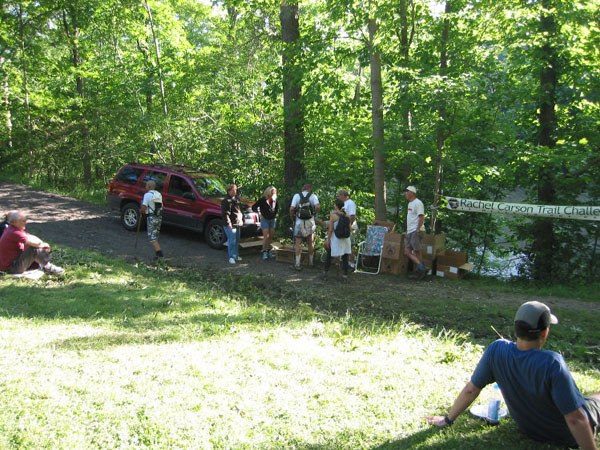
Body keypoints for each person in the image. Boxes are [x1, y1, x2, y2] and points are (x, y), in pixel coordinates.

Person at [426, 301, 600, 450]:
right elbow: (575, 419)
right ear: (544, 332)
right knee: (594, 402)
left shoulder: (497, 350)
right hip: (566, 436)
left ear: (516, 328)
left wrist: (447, 420)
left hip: (530, 430)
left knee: (589, 399)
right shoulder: (552, 362)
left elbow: (471, 390)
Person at [0, 210, 64, 275]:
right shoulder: (14, 232)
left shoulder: (14, 228)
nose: (26, 222)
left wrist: (42, 244)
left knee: (32, 246)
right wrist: (42, 245)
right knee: (33, 249)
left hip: (15, 262)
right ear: (13, 222)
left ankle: (43, 265)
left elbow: (31, 237)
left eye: (25, 220)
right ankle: (48, 267)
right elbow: (36, 243)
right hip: (11, 268)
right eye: (23, 221)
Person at [289, 183, 320, 271]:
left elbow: (292, 209)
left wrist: (292, 217)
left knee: (298, 243)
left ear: (303, 188)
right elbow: (318, 207)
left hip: (299, 222)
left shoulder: (296, 196)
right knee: (311, 242)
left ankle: (297, 264)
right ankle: (311, 263)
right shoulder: (313, 196)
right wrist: (314, 214)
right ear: (310, 189)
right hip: (310, 222)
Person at [322, 199, 352, 281]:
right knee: (345, 257)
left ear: (336, 206)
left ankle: (325, 273)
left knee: (329, 255)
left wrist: (328, 240)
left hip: (336, 239)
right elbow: (350, 228)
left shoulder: (333, 216)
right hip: (346, 239)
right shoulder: (347, 215)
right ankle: (345, 276)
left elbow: (331, 229)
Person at [403, 185, 428, 279]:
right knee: (407, 252)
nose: (405, 194)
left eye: (407, 192)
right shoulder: (410, 204)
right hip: (410, 231)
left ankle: (421, 272)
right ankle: (422, 268)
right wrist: (407, 230)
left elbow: (421, 217)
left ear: (412, 193)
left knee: (417, 251)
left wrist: (417, 229)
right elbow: (411, 218)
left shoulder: (418, 203)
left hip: (416, 231)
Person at [252, 186, 279, 260]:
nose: (273, 194)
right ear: (268, 192)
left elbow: (276, 208)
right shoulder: (262, 200)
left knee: (271, 236)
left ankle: (269, 251)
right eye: (272, 192)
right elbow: (254, 207)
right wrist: (259, 214)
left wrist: (274, 215)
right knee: (266, 237)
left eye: (274, 192)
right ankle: (264, 251)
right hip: (265, 219)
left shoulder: (274, 200)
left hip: (272, 219)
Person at [141, 180, 164, 260]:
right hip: (158, 217)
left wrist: (141, 211)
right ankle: (158, 255)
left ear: (149, 186)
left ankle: (160, 255)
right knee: (155, 236)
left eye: (146, 185)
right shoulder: (158, 194)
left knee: (152, 237)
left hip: (151, 217)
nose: (145, 186)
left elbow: (144, 207)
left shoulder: (147, 195)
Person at [221, 183, 243, 265]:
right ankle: (231, 257)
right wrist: (228, 224)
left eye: (235, 190)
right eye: (233, 190)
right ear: (229, 191)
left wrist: (242, 220)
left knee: (237, 240)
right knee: (231, 241)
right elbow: (225, 214)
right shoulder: (226, 200)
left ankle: (236, 255)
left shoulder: (236, 199)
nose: (235, 191)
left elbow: (240, 211)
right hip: (230, 224)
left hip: (237, 223)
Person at [336, 189, 358, 268]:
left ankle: (352, 263)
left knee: (350, 245)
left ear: (343, 196)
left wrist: (349, 226)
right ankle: (343, 262)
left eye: (339, 196)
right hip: (342, 227)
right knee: (343, 244)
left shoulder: (350, 203)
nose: (338, 198)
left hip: (350, 227)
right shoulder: (342, 204)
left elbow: (352, 216)